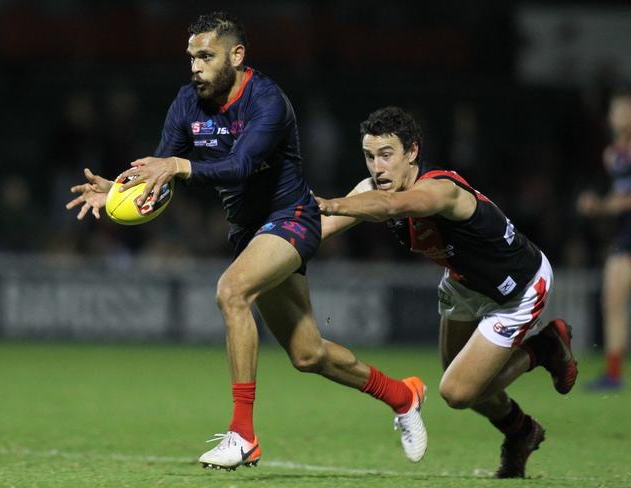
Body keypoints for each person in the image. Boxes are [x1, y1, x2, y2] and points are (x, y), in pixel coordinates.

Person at [65, 12, 427, 470]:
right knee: (308, 354)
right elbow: (164, 169)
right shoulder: (185, 103)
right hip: (249, 233)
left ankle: (243, 435)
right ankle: (403, 395)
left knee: (231, 291)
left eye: (206, 56)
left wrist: (176, 167)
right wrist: (119, 190)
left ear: (236, 56)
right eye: (192, 57)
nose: (196, 66)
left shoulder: (267, 101)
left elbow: (238, 165)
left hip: (292, 217)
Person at [315, 106, 578, 479]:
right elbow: (320, 230)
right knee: (462, 377)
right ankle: (521, 432)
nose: (377, 167)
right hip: (463, 283)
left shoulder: (441, 191)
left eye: (387, 155)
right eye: (370, 156)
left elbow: (390, 206)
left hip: (516, 289)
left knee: (457, 392)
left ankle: (546, 347)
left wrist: (334, 203)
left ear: (412, 153)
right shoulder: (373, 192)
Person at [577, 86, 631, 390]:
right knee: (612, 299)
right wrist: (597, 206)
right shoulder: (612, 155)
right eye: (615, 111)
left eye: (623, 110)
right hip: (626, 233)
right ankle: (613, 375)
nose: (617, 116)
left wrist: (601, 205)